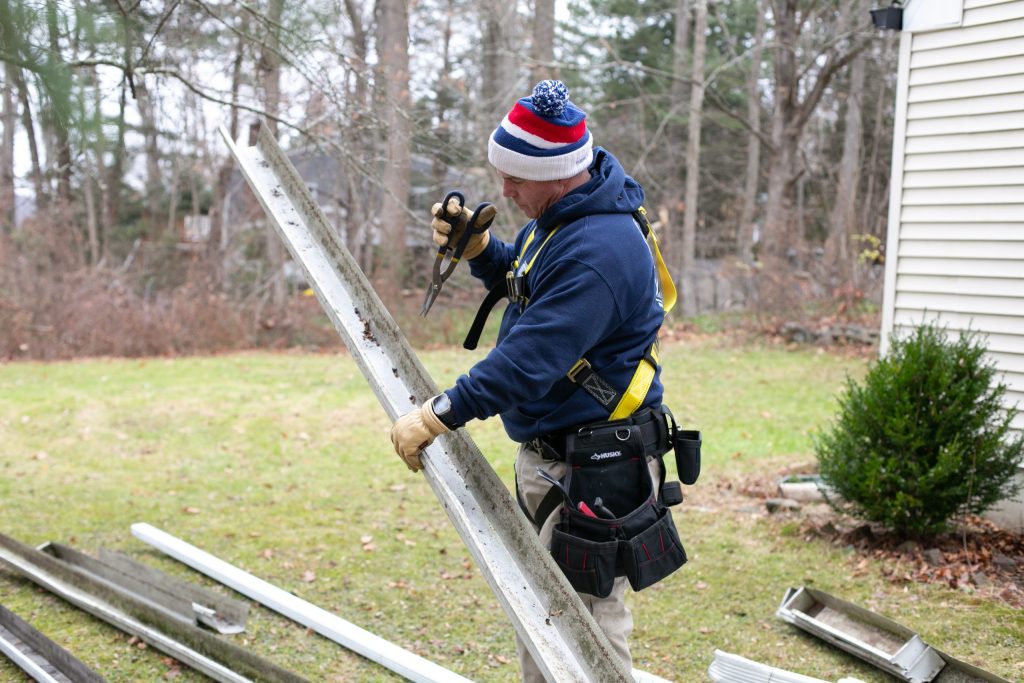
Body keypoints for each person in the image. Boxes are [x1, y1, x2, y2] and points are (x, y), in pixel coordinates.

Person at [391, 80, 675, 682]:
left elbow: (529, 360)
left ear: (556, 175)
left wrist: (439, 413)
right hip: (565, 456)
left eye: (515, 179)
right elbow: (530, 284)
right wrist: (481, 249)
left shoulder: (598, 248)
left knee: (583, 632)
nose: (504, 191)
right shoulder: (565, 217)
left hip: (597, 467)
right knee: (548, 618)